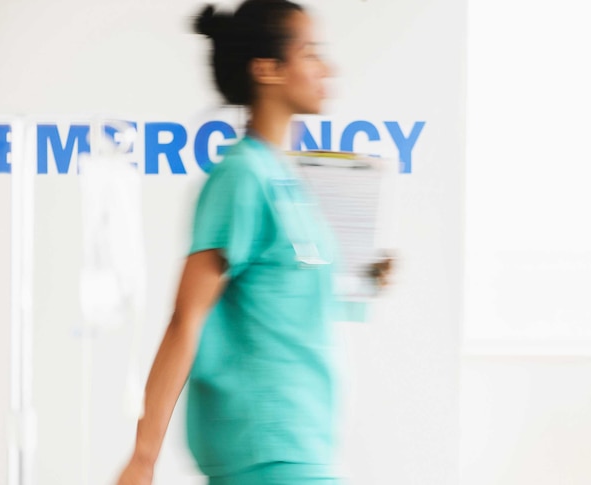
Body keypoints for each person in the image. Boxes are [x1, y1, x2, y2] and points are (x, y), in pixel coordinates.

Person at [116, 1, 389, 483]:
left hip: (304, 447)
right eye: (309, 53)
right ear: (267, 70)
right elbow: (187, 317)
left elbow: (281, 296)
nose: (326, 68)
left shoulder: (286, 179)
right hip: (267, 449)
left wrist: (365, 278)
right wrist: (143, 457)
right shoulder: (241, 178)